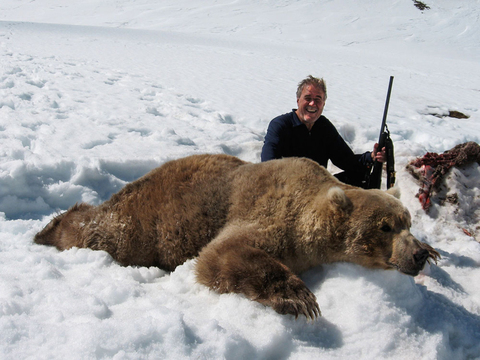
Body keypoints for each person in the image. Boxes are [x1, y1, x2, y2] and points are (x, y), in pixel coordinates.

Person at [261, 75, 386, 187]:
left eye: (318, 99)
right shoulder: (280, 125)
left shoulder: (324, 126)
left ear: (323, 104)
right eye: (308, 98)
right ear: (298, 100)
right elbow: (268, 166)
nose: (312, 103)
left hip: (317, 191)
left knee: (360, 177)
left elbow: (347, 161)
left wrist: (372, 156)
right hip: (287, 191)